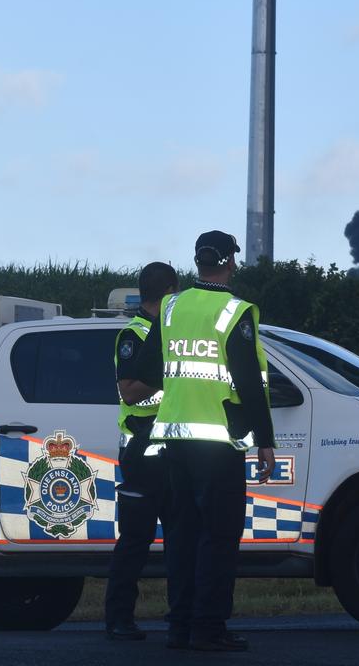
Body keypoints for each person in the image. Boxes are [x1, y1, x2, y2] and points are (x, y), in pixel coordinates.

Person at [120, 230, 275, 652]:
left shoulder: (170, 307)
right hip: (218, 444)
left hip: (174, 441)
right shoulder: (235, 310)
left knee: (183, 535)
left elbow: (149, 372)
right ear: (230, 264)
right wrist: (265, 439)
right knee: (220, 536)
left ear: (197, 263)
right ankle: (209, 627)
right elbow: (248, 380)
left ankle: (180, 626)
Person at [104, 261, 179, 641]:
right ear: (168, 293)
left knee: (183, 538)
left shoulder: (175, 334)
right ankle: (119, 619)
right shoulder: (134, 335)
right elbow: (130, 392)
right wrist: (166, 378)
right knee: (135, 539)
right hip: (144, 453)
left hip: (177, 452)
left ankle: (182, 619)